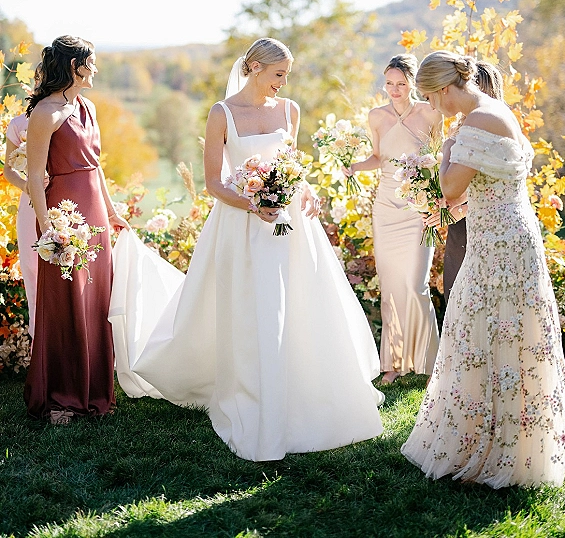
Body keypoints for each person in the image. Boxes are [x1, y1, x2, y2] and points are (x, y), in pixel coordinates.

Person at [120, 38, 384, 461]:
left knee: (297, 302)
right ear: (255, 67)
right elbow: (213, 183)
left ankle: (301, 385)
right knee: (255, 308)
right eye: (279, 74)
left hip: (290, 225)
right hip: (241, 228)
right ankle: (252, 389)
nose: (283, 83)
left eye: (287, 76)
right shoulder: (221, 114)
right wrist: (253, 204)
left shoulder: (290, 111)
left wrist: (309, 192)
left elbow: (292, 166)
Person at [401, 50, 565, 487]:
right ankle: (496, 438)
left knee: (490, 328)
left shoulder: (475, 122)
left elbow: (451, 188)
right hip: (504, 233)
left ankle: (496, 448)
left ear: (442, 90)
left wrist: (445, 152)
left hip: (500, 243)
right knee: (501, 329)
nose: (435, 108)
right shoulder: (496, 111)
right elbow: (477, 191)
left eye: (432, 99)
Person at [24, 35, 128, 425]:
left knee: (95, 299)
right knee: (66, 301)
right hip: (62, 212)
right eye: (92, 63)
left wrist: (113, 212)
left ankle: (96, 390)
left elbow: (96, 166)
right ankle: (60, 397)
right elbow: (35, 175)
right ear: (74, 67)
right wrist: (48, 226)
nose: (96, 70)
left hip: (95, 210)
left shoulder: (89, 106)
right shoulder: (45, 113)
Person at [344, 54, 441, 384]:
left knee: (415, 284)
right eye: (389, 83)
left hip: (418, 208)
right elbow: (377, 157)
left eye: (401, 84)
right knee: (390, 286)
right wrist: (354, 166)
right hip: (385, 207)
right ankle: (393, 362)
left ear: (413, 83)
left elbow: (442, 156)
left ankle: (429, 363)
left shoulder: (430, 113)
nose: (394, 90)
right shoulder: (377, 116)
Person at [441, 61, 505, 302]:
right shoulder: (458, 128)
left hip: (485, 222)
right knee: (455, 295)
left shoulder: (497, 126)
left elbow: (493, 183)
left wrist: (460, 209)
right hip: (459, 228)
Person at [4, 110, 39, 337]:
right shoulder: (18, 125)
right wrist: (27, 185)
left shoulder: (65, 115)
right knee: (33, 269)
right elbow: (9, 170)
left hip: (62, 195)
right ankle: (40, 346)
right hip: (30, 200)